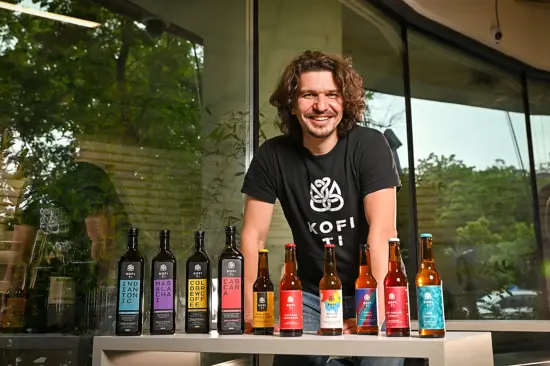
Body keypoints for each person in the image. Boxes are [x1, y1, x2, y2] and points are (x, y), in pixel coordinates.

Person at [241, 50, 403, 366]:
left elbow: (383, 231)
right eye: (308, 95)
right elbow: (253, 237)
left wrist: (374, 313)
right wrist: (251, 313)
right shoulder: (271, 156)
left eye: (332, 94)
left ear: (345, 102)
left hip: (371, 291)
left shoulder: (369, 145)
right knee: (293, 361)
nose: (321, 105)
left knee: (379, 362)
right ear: (292, 102)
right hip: (312, 295)